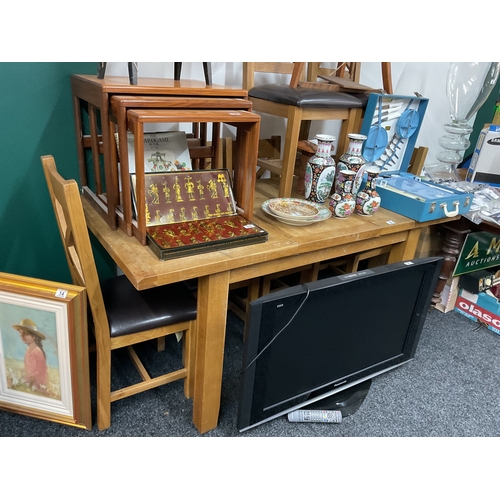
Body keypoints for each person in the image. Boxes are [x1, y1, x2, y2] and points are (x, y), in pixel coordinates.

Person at [12, 318, 48, 393]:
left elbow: (40, 373)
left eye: (26, 334)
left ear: (33, 336)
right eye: (21, 333)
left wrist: (28, 380)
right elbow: (27, 368)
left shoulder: (37, 352)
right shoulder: (28, 349)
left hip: (37, 385)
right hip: (28, 382)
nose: (22, 336)